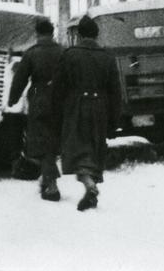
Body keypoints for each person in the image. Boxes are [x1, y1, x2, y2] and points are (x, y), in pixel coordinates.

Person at [52, 15, 122, 211]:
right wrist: (114, 121)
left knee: (78, 150)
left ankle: (89, 185)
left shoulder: (70, 55)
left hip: (76, 106)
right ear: (96, 34)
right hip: (100, 107)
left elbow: (58, 87)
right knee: (94, 148)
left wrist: (56, 114)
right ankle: (92, 188)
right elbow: (116, 92)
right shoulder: (107, 57)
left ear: (80, 34)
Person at [7, 18, 64, 201]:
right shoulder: (63, 52)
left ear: (37, 33)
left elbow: (20, 79)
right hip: (59, 101)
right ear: (52, 33)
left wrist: (12, 99)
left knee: (41, 143)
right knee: (52, 142)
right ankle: (47, 181)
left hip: (39, 100)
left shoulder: (32, 53)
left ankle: (51, 185)